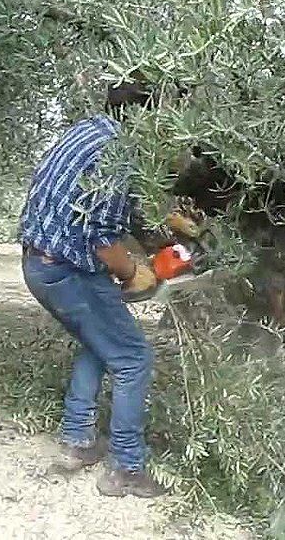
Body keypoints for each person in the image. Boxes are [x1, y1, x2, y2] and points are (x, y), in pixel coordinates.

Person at [19, 76, 186, 498]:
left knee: (100, 342)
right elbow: (104, 239)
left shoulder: (88, 131)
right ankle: (126, 468)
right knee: (133, 357)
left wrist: (168, 223)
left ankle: (77, 441)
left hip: (40, 262)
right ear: (148, 114)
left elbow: (103, 207)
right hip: (67, 272)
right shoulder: (120, 155)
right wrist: (134, 273)